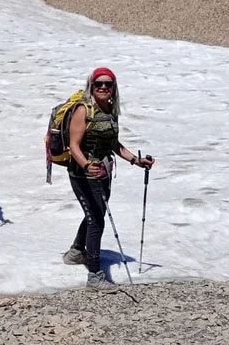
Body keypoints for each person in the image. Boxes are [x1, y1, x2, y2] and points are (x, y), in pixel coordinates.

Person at [63, 67, 154, 291]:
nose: (103, 87)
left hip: (103, 171)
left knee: (96, 213)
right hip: (81, 172)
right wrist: (86, 165)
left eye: (108, 84)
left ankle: (76, 252)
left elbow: (113, 144)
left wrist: (135, 160)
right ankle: (94, 274)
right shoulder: (83, 110)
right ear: (91, 87)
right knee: (96, 218)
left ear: (114, 88)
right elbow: (73, 145)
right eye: (98, 84)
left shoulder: (111, 111)